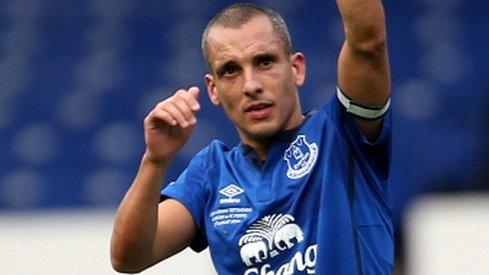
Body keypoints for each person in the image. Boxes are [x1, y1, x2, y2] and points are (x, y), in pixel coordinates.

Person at [110, 1, 393, 274]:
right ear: (213, 89)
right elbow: (129, 257)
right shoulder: (211, 173)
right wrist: (155, 161)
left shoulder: (342, 133)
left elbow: (367, 41)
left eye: (265, 61)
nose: (251, 85)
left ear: (296, 69)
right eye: (231, 70)